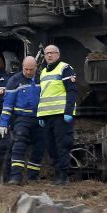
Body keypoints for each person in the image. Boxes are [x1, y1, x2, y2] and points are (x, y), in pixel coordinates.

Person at [36, 45, 78, 186]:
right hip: (47, 115)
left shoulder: (65, 68)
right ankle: (57, 174)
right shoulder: (43, 72)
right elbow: (43, 95)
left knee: (62, 146)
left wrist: (68, 112)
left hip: (61, 115)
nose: (49, 56)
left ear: (58, 55)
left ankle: (63, 176)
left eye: (52, 53)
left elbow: (72, 92)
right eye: (47, 53)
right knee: (51, 146)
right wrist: (40, 115)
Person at [0, 57, 41, 184]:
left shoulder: (41, 78)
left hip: (39, 118)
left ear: (36, 67)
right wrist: (4, 123)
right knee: (19, 146)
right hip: (22, 118)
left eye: (31, 69)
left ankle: (32, 177)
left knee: (40, 147)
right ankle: (16, 177)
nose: (28, 72)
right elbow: (8, 104)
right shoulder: (15, 80)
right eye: (26, 69)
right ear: (22, 67)